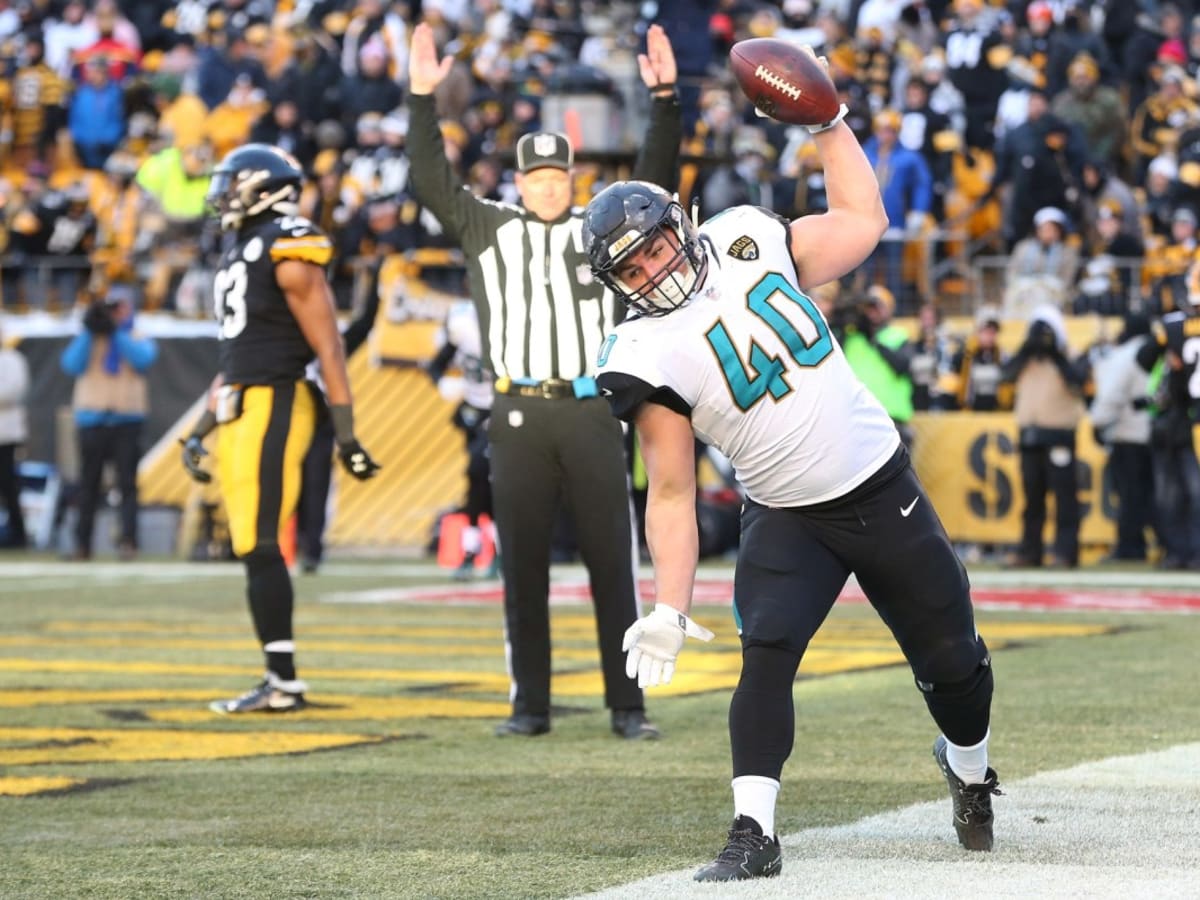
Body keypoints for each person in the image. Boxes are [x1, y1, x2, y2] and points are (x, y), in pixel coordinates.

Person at [580, 49, 1000, 882]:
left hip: (879, 486)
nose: (655, 272)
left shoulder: (746, 236)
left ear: (681, 222)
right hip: (784, 512)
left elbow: (861, 221)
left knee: (955, 663)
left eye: (657, 249)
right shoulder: (639, 350)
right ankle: (753, 832)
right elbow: (668, 489)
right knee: (765, 652)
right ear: (617, 285)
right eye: (632, 270)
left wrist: (829, 126)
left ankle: (969, 768)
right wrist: (667, 603)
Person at [406, 21, 682, 740]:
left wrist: (665, 100)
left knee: (611, 567)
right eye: (537, 178)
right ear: (520, 182)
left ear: (572, 179)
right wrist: (421, 99)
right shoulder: (489, 227)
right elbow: (430, 180)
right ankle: (529, 705)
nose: (550, 188)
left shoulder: (598, 231)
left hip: (591, 411)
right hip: (518, 410)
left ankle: (628, 706)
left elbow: (654, 185)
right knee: (521, 567)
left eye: (560, 177)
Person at [179, 143, 380, 714]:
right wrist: (199, 428)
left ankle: (284, 684)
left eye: (233, 181)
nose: (222, 192)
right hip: (244, 400)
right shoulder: (242, 245)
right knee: (250, 544)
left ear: (264, 187)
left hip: (279, 400)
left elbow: (329, 346)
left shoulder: (289, 243)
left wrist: (346, 435)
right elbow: (236, 357)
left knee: (262, 542)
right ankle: (279, 678)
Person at [60, 285, 158, 560]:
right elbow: (71, 364)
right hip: (92, 419)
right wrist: (91, 329)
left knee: (127, 485)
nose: (116, 312)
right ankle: (82, 545)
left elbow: (144, 359)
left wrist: (115, 330)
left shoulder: (136, 336)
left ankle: (129, 541)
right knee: (87, 485)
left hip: (127, 419)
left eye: (121, 306)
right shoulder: (90, 337)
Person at [1000, 306, 1088, 569]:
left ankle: (1065, 552)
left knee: (1065, 498)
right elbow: (1005, 375)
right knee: (1032, 499)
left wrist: (1056, 354)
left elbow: (1080, 381)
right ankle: (1030, 551)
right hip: (1029, 436)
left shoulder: (1071, 354)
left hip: (1059, 434)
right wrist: (1028, 349)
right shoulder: (1025, 358)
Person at [426, 300, 496, 581]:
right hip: (474, 410)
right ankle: (472, 550)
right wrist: (443, 382)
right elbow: (436, 363)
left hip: (502, 409)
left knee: (492, 480)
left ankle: (494, 551)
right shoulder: (462, 321)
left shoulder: (508, 320)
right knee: (476, 480)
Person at [0, 323, 30, 549]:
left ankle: (18, 533)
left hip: (6, 434)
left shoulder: (12, 360)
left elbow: (13, 391)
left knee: (8, 484)